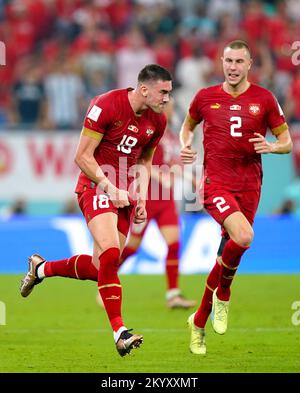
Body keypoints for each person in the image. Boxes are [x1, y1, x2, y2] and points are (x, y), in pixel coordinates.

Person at [20, 64, 173, 357]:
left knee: (100, 266)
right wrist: (109, 187)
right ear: (144, 89)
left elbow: (145, 161)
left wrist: (139, 197)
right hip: (95, 185)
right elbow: (82, 156)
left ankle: (40, 269)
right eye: (162, 91)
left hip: (125, 195)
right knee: (111, 252)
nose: (166, 97)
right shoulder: (106, 104)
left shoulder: (158, 121)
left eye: (168, 92)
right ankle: (120, 331)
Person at [180, 40, 293, 355]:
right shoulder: (205, 97)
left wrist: (272, 147)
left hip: (250, 185)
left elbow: (286, 141)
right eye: (228, 61)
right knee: (243, 236)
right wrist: (185, 144)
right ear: (221, 62)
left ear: (249, 64)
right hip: (216, 183)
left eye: (239, 61)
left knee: (227, 252)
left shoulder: (264, 99)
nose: (232, 67)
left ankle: (198, 322)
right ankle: (224, 294)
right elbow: (187, 127)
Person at [119, 98, 196, 309]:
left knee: (174, 244)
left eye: (171, 106)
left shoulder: (170, 136)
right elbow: (138, 160)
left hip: (165, 200)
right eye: (167, 106)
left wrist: (192, 180)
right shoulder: (150, 131)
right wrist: (159, 175)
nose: (170, 109)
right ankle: (104, 279)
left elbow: (173, 166)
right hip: (147, 198)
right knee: (132, 248)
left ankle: (173, 295)